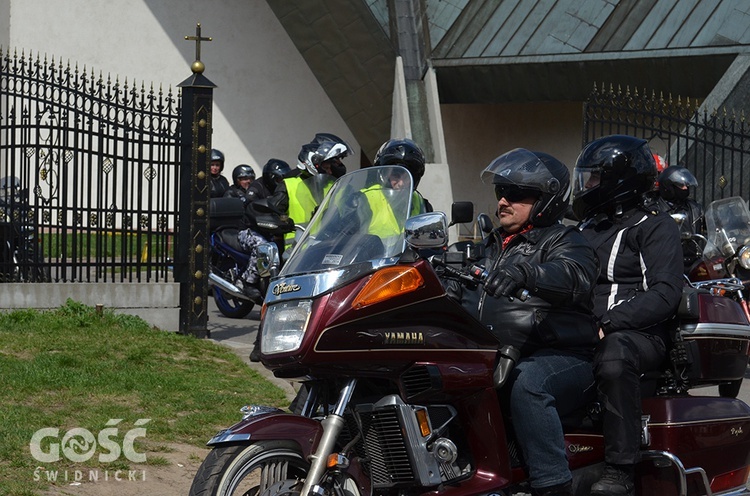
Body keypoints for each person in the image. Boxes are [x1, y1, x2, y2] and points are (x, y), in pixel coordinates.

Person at [444, 148, 599, 496]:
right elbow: (456, 287)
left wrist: (527, 273)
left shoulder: (567, 240)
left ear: (546, 200)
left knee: (527, 383)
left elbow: (574, 275)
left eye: (515, 193)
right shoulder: (486, 247)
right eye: (500, 192)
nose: (502, 201)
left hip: (560, 355)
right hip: (494, 353)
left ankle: (552, 484)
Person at [572, 135, 684, 496]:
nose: (586, 186)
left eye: (593, 178)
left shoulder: (655, 226)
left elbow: (665, 294)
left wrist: (608, 324)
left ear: (617, 180)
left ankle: (620, 469)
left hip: (639, 335)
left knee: (615, 353)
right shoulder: (584, 230)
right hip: (583, 331)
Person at [283, 134, 352, 251]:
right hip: (296, 250)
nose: (338, 165)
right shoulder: (290, 182)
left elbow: (349, 215)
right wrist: (282, 223)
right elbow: (269, 212)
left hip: (330, 246)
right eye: (335, 160)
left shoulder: (336, 185)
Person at [654, 166, 705, 272]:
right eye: (681, 185)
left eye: (686, 185)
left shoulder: (695, 208)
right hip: (665, 262)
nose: (686, 188)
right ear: (668, 186)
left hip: (693, 262)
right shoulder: (655, 209)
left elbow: (713, 226)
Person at [372, 138, 433, 216]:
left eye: (407, 176)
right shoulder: (363, 200)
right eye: (396, 175)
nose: (401, 183)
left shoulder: (422, 206)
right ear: (383, 175)